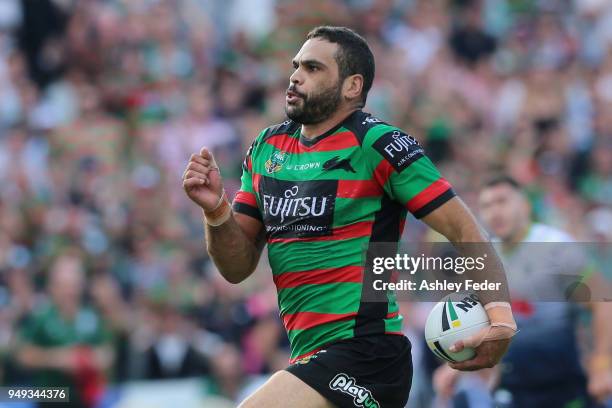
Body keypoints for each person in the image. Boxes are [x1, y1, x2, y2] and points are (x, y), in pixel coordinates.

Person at [183, 26, 516, 408]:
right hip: (311, 357)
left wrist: (500, 317)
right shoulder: (266, 148)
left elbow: (464, 228)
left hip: (368, 355)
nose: (295, 76)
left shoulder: (379, 145)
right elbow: (236, 266)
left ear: (352, 86)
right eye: (296, 66)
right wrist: (216, 210)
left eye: (312, 68)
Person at [434, 175, 612, 408]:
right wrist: (453, 366)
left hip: (563, 386)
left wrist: (602, 364)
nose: (495, 212)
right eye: (487, 206)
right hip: (511, 388)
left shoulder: (555, 248)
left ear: (525, 205)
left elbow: (603, 303)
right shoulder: (484, 259)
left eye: (502, 201)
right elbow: (479, 324)